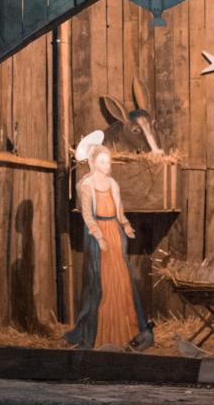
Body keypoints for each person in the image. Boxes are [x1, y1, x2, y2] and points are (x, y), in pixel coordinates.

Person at [65, 142, 149, 349]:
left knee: (121, 280)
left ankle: (126, 332)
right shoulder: (87, 185)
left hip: (115, 233)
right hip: (98, 234)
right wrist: (99, 236)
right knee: (101, 282)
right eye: (102, 162)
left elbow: (119, 210)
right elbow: (87, 215)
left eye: (109, 162)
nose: (107, 165)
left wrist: (126, 226)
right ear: (94, 162)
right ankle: (101, 333)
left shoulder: (112, 184)